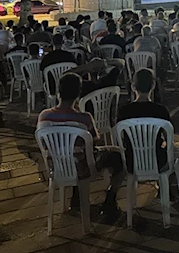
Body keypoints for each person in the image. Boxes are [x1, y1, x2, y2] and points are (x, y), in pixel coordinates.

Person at [37, 73, 125, 221]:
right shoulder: (84, 117)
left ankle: (76, 200)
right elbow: (94, 139)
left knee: (74, 154)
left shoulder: (44, 116)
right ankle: (110, 199)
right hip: (82, 168)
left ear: (59, 93)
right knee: (118, 157)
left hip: (56, 166)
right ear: (78, 94)